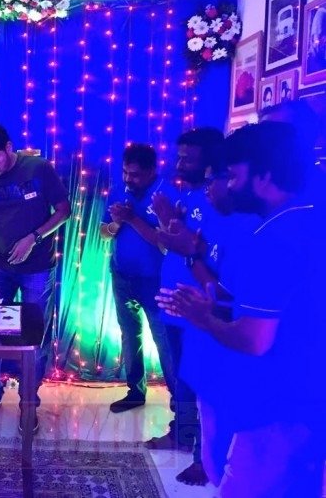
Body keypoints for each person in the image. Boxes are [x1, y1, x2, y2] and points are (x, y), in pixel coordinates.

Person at [158, 122, 326, 497]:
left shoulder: (276, 238)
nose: (229, 185)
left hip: (279, 405)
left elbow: (254, 340)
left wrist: (202, 317)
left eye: (232, 176)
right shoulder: (308, 218)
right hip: (302, 396)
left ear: (263, 176)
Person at [0, 120, 70, 432]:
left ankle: (28, 402)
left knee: (34, 336)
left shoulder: (37, 169)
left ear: (9, 148)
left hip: (38, 268)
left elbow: (64, 211)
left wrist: (34, 237)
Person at [146, 128, 225, 485]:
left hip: (197, 307)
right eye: (178, 157)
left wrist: (175, 234)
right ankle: (182, 433)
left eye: (186, 159)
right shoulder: (190, 194)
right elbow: (175, 241)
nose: (178, 165)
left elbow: (202, 251)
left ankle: (203, 458)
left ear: (209, 164)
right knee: (180, 376)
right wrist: (166, 221)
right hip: (174, 303)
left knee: (199, 380)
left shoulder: (215, 201)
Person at [100, 143, 176, 415]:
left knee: (163, 338)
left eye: (134, 175)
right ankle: (135, 391)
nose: (128, 179)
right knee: (130, 335)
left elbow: (165, 243)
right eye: (125, 172)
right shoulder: (119, 191)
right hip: (122, 275)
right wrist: (116, 223)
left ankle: (179, 399)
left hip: (156, 281)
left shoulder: (166, 195)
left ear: (152, 171)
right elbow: (104, 233)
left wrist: (131, 218)